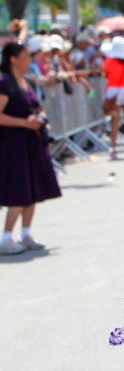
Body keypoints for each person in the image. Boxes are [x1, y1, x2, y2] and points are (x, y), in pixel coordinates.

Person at [0, 41, 61, 254]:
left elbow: (37, 107)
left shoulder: (25, 81)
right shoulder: (4, 82)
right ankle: (6, 237)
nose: (29, 59)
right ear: (13, 59)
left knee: (31, 188)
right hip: (13, 144)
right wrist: (25, 123)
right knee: (18, 190)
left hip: (31, 143)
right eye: (25, 55)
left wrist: (41, 120)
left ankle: (26, 233)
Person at [101, 35, 124, 160]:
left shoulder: (108, 61)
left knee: (114, 122)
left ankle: (113, 148)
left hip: (113, 91)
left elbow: (105, 74)